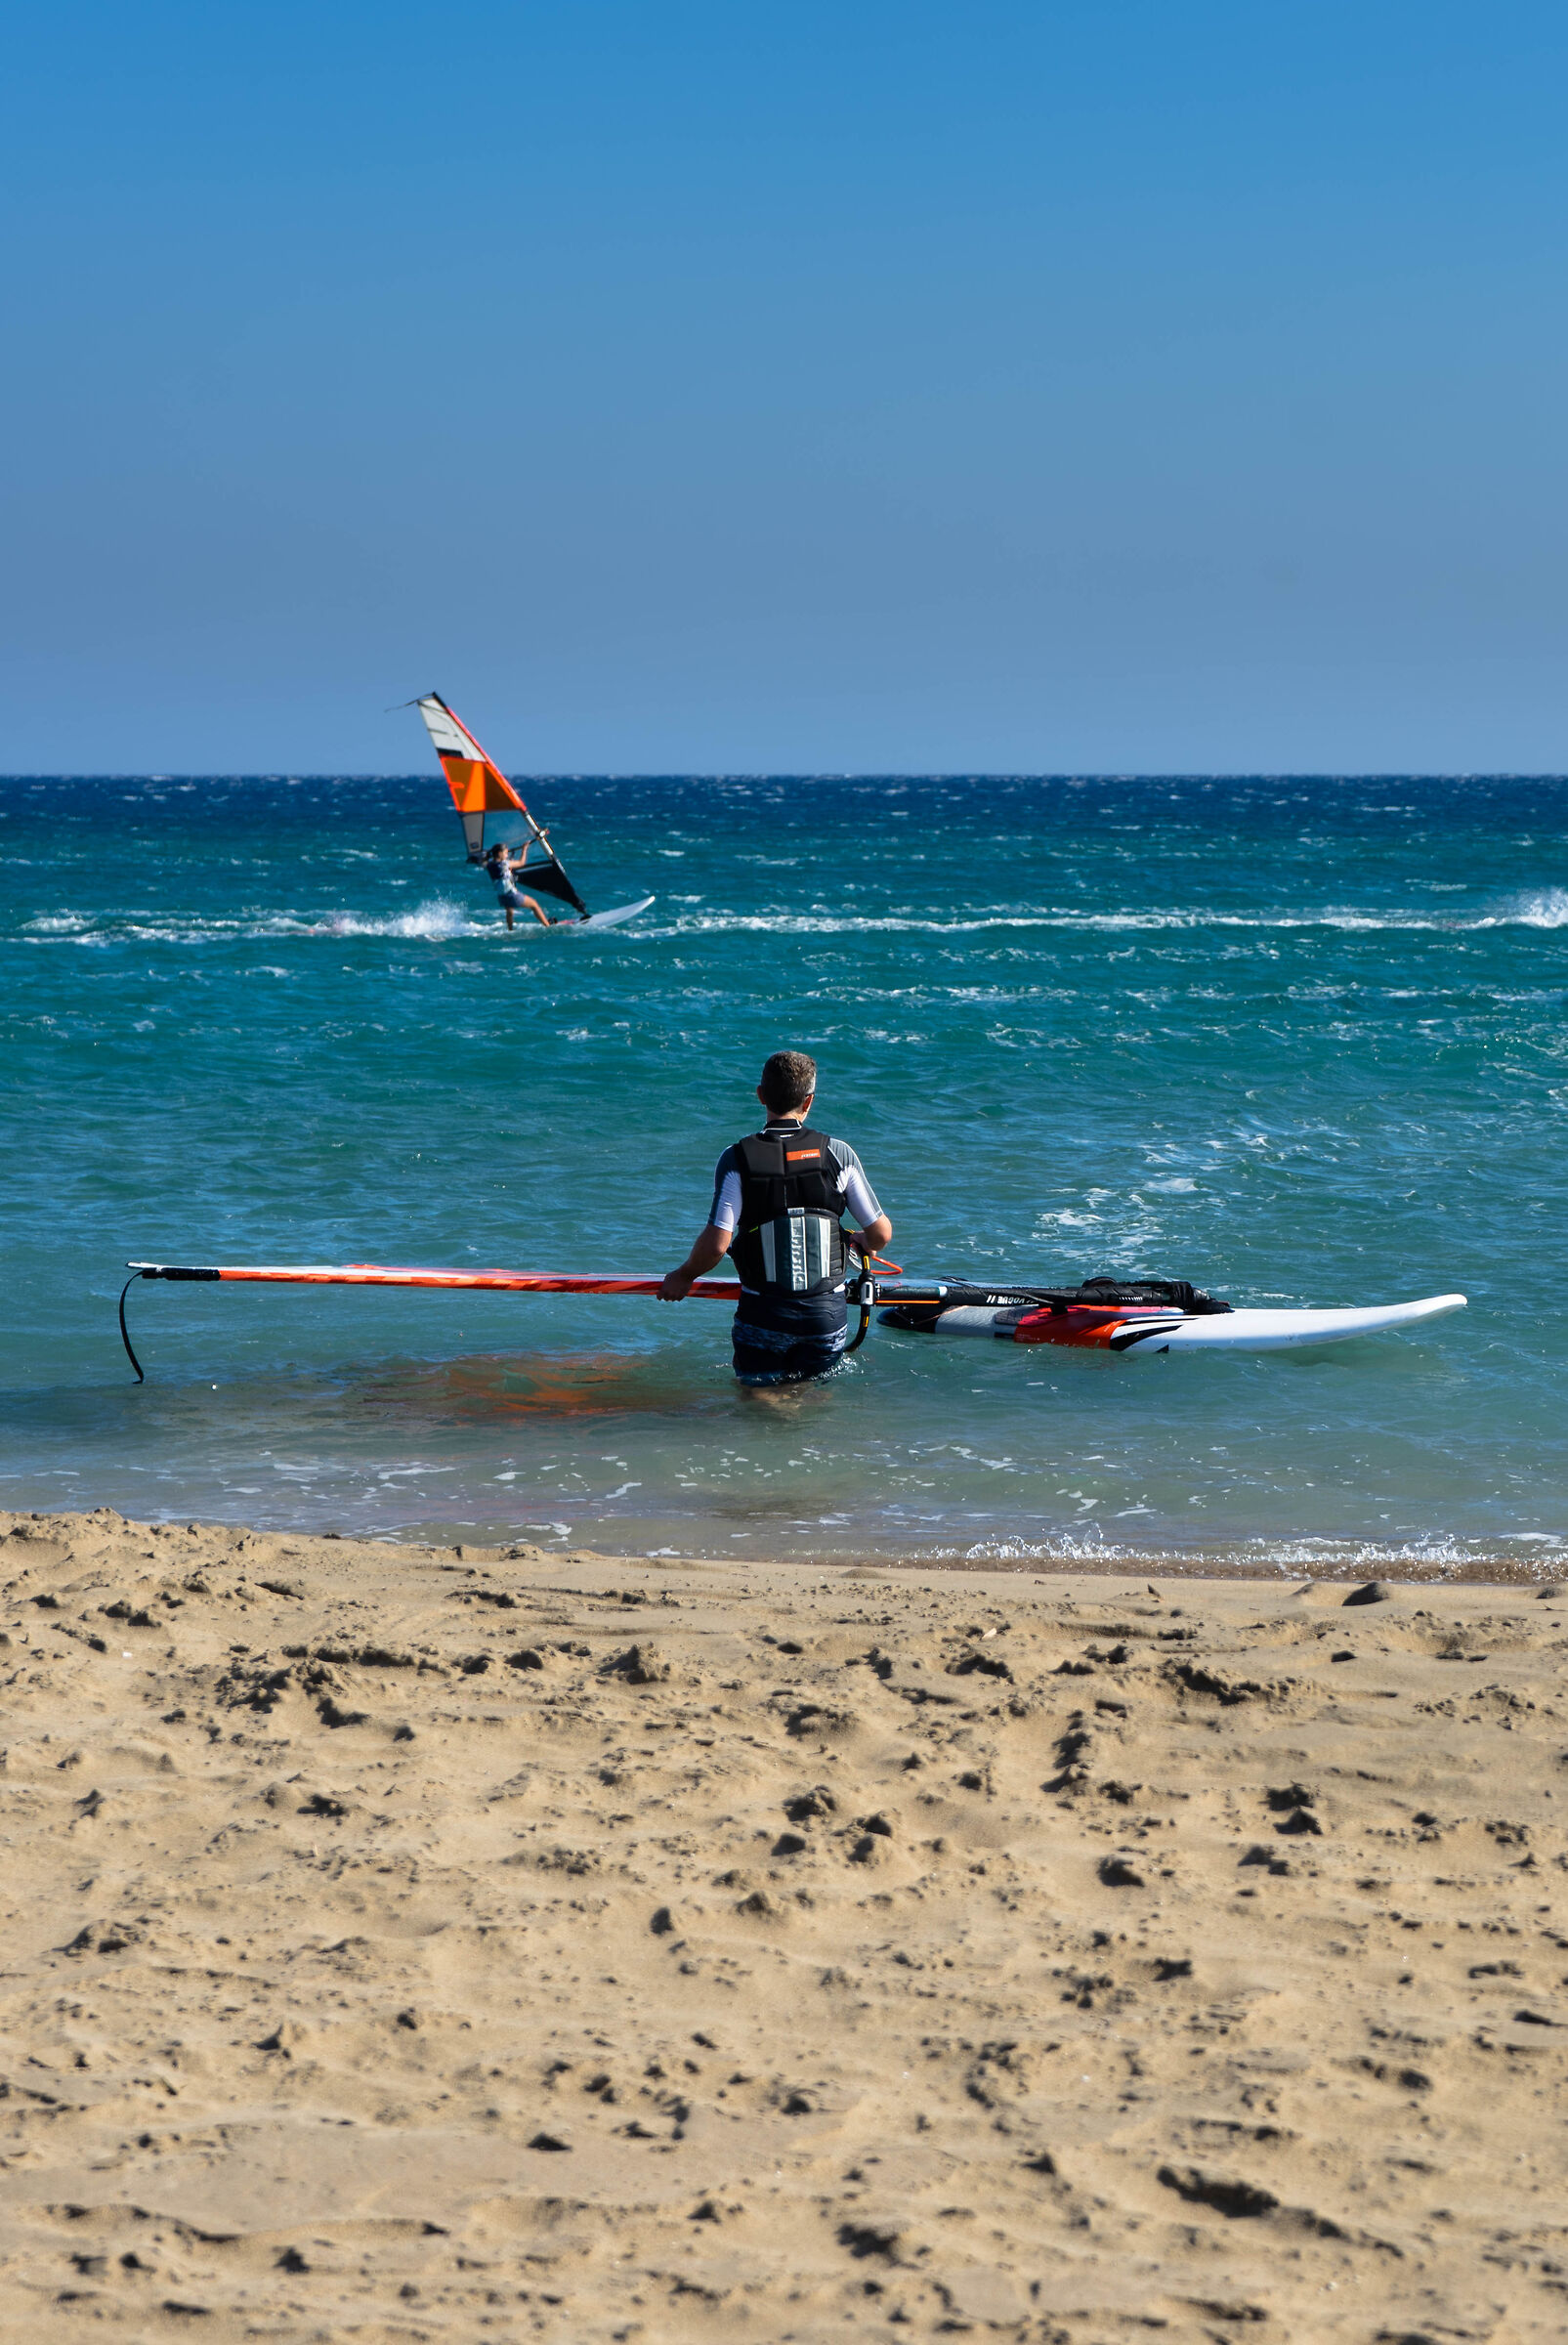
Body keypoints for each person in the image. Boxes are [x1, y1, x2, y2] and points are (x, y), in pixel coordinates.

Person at [659, 1050, 893, 1385]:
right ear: (808, 1101)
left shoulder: (736, 1159)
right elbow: (880, 1234)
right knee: (812, 1393)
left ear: (761, 1095)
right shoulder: (838, 1153)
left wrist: (684, 1276)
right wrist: (862, 1241)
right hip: (825, 1316)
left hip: (764, 1313)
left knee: (759, 1395)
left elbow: (717, 1245)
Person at [484, 842, 552, 931]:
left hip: (502, 896)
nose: (507, 855)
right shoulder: (505, 864)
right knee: (534, 904)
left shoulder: (489, 865)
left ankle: (510, 930)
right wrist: (524, 849)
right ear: (499, 853)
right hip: (511, 895)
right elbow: (521, 863)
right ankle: (547, 926)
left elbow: (501, 871)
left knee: (510, 912)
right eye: (506, 853)